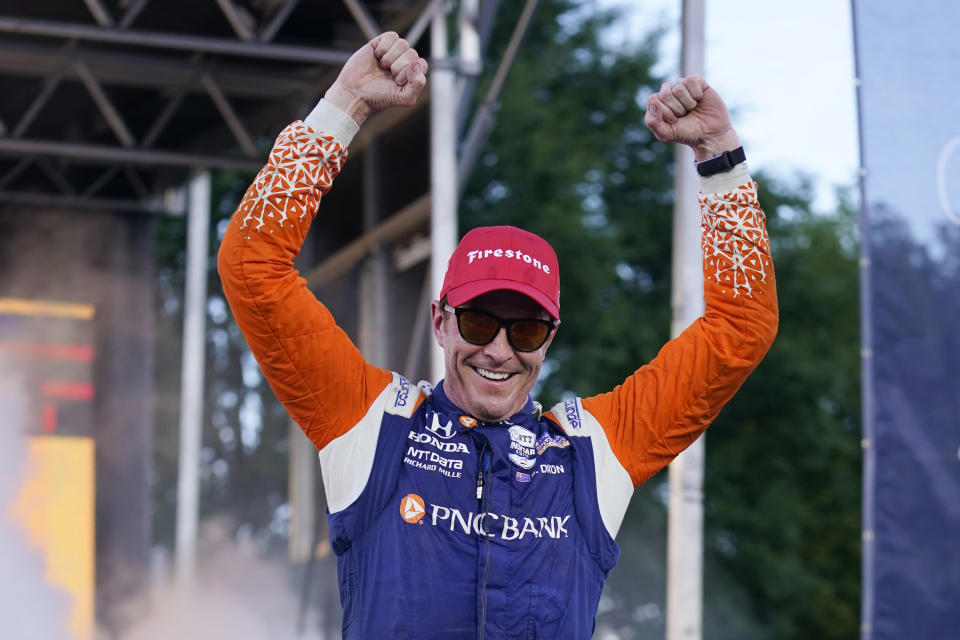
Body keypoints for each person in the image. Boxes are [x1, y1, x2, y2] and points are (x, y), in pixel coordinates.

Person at [218, 32, 777, 640]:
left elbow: (740, 328)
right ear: (440, 320)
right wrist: (344, 106)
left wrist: (720, 153)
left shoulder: (594, 450)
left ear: (550, 340)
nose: (499, 350)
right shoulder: (370, 422)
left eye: (527, 329)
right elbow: (251, 267)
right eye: (480, 322)